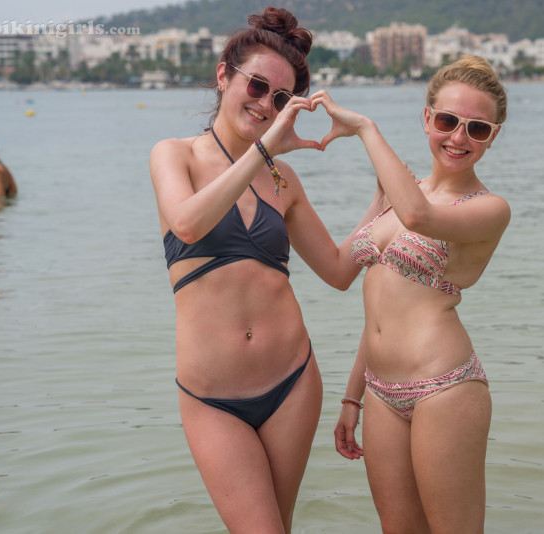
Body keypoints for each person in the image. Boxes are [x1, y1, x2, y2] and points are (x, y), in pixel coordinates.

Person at [148, 7, 384, 533]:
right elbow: (187, 223)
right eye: (257, 86)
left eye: (281, 100)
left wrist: (382, 203)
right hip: (212, 398)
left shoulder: (284, 181)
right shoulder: (174, 155)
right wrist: (263, 151)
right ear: (223, 75)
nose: (265, 105)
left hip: (293, 382)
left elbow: (341, 271)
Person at [323, 55, 511, 533]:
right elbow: (355, 282)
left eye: (477, 129)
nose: (458, 137)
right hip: (381, 392)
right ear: (428, 119)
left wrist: (366, 128)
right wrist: (352, 398)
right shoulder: (400, 198)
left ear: (493, 137)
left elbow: (421, 219)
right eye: (448, 121)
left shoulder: (489, 208)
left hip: (445, 386)